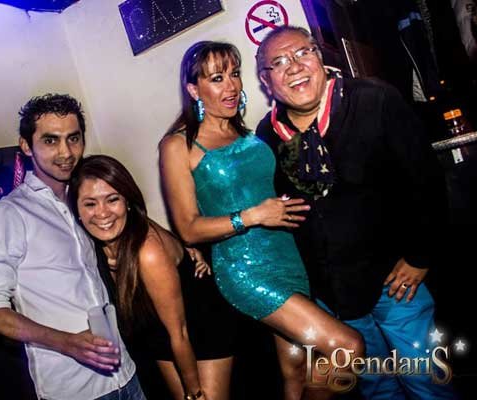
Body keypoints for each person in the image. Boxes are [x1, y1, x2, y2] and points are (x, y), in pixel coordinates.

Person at [255, 26, 457, 399]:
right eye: (278, 63)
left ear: (319, 57)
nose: (294, 67)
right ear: (266, 81)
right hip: (335, 296)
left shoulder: (373, 99)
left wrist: (420, 257)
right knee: (377, 388)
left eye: (303, 53)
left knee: (426, 381)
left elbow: (426, 179)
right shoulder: (267, 135)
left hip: (396, 282)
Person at [159, 41, 364, 400]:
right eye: (217, 78)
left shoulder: (248, 135)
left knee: (296, 369)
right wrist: (253, 216)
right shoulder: (179, 145)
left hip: (288, 257)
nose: (231, 86)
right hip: (246, 269)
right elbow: (188, 227)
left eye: (235, 74)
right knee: (347, 347)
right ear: (193, 89)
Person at [0, 94, 145, 400]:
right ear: (26, 146)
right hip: (74, 389)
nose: (66, 152)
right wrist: (66, 342)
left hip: (126, 374)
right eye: (50, 140)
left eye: (73, 139)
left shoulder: (82, 202)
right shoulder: (9, 215)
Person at [71, 154, 233, 400]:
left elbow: (179, 333)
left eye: (112, 200)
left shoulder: (148, 252)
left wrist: (195, 393)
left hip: (199, 326)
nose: (102, 213)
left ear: (127, 201)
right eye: (90, 204)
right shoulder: (91, 245)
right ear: (77, 210)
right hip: (158, 333)